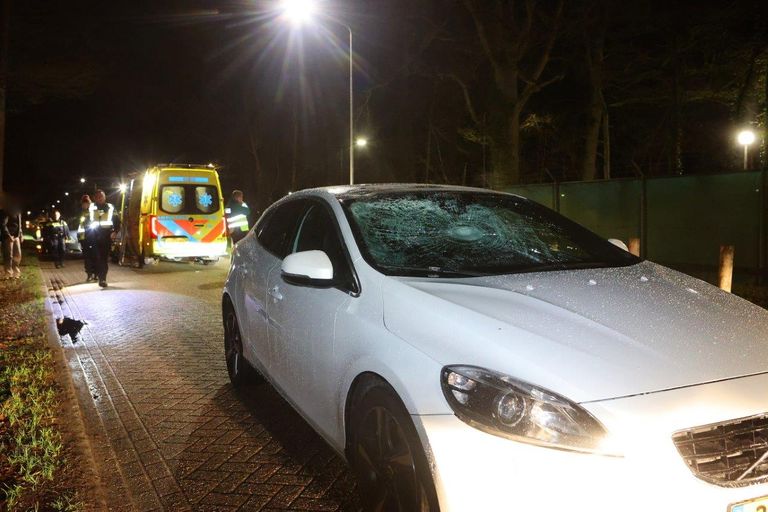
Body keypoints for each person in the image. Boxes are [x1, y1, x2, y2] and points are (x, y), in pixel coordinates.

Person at [88, 189, 120, 287]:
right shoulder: (91, 207)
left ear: (104, 197)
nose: (99, 198)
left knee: (103, 258)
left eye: (101, 196)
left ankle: (103, 279)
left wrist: (115, 231)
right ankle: (96, 274)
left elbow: (117, 220)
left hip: (106, 236)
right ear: (94, 198)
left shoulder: (110, 207)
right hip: (93, 236)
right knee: (95, 258)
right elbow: (86, 220)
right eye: (97, 197)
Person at [0, 198, 23, 279]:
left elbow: (19, 225)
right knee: (8, 255)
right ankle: (8, 273)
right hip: (8, 237)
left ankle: (16, 272)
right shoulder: (6, 212)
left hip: (16, 236)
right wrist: (8, 235)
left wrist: (21, 234)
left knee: (17, 254)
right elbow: (3, 224)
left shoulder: (18, 212)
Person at [77, 195, 97, 281]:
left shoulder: (94, 211)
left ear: (89, 203)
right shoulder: (82, 213)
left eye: (86, 203)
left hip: (93, 238)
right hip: (84, 239)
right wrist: (79, 237)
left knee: (95, 256)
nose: (84, 205)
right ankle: (89, 274)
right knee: (87, 258)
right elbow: (80, 226)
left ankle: (96, 274)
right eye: (83, 204)